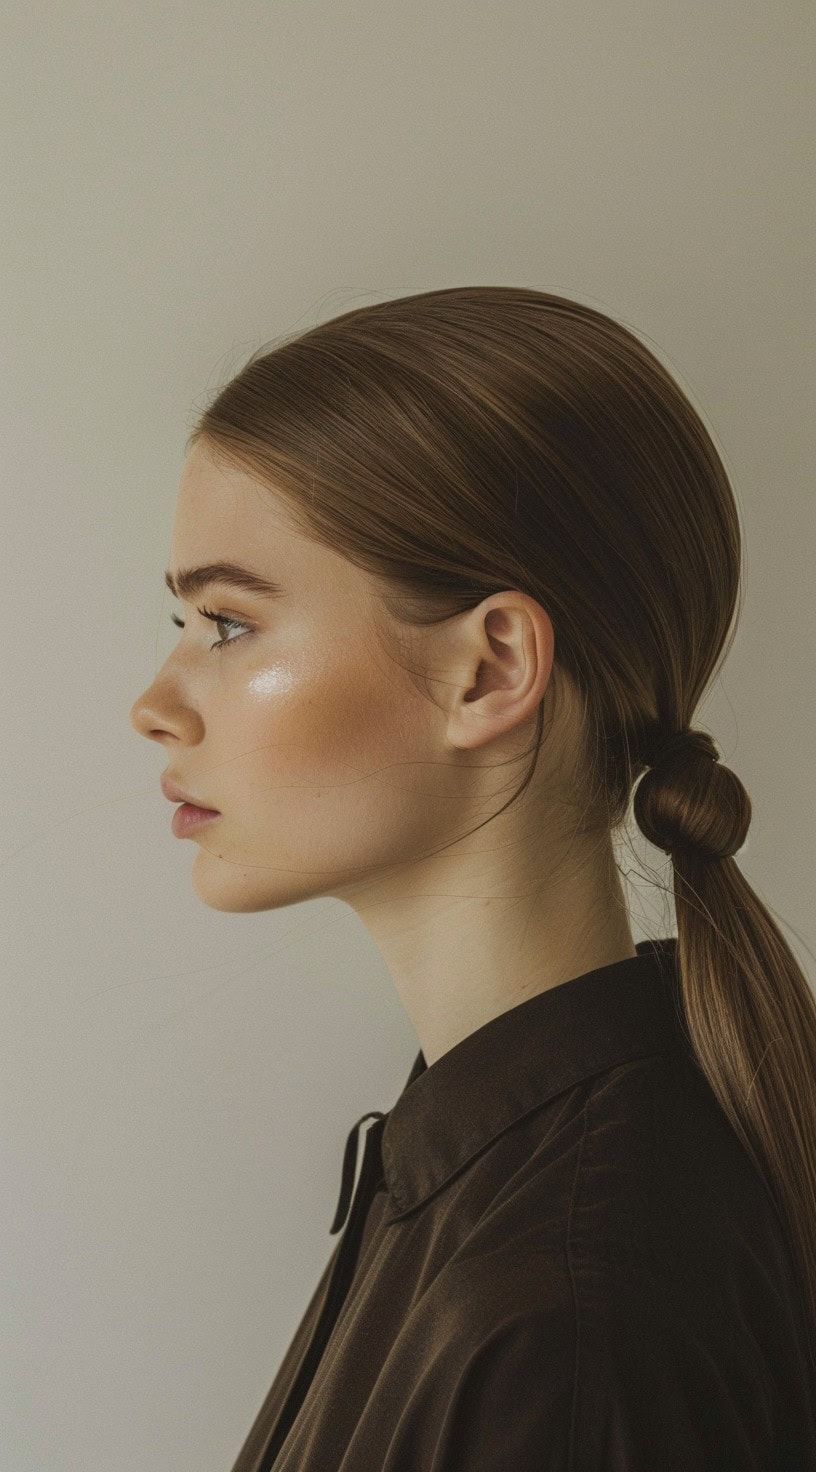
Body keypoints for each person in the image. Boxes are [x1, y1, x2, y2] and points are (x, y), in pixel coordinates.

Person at [129, 286, 816, 1469]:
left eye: (228, 624)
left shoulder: (567, 1323)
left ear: (491, 668)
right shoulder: (500, 1179)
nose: (155, 704)